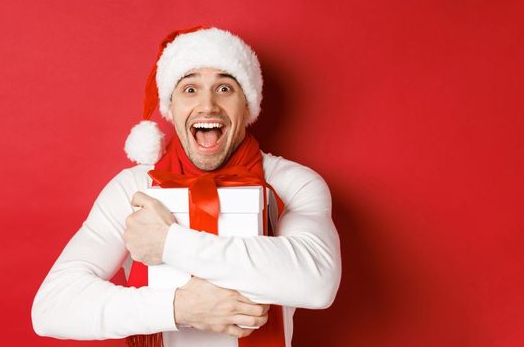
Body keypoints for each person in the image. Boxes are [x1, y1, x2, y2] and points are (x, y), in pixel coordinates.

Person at [31, 26, 341, 347]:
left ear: (247, 107)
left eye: (224, 88)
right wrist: (179, 308)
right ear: (171, 108)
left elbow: (318, 282)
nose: (208, 105)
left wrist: (170, 243)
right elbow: (52, 307)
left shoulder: (292, 184)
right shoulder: (134, 188)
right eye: (190, 89)